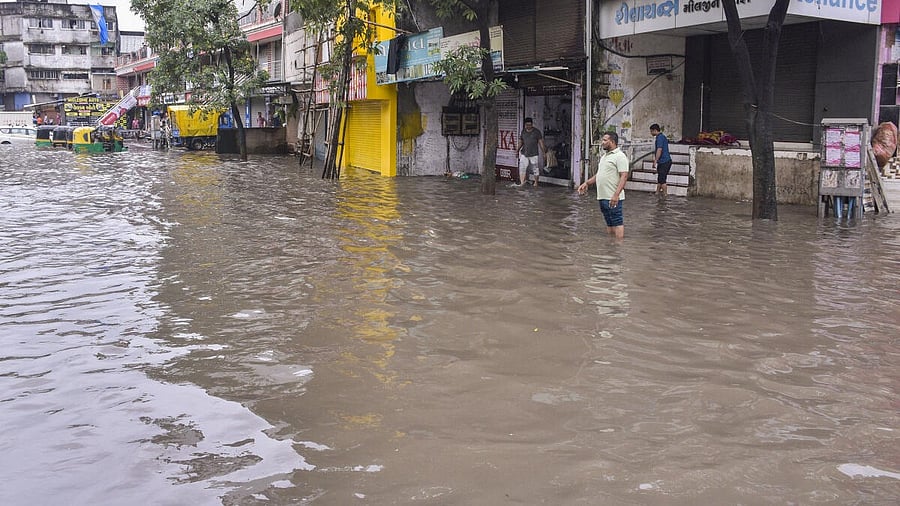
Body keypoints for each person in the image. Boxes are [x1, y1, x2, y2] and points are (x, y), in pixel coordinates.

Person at [577, 132, 630, 240]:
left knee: (617, 221)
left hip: (613, 197)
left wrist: (616, 195)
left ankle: (618, 246)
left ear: (612, 142)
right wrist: (586, 183)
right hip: (602, 196)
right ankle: (610, 245)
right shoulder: (605, 156)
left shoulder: (620, 156)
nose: (602, 143)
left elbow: (624, 176)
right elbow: (599, 174)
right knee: (609, 222)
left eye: (605, 140)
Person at [515, 117, 546, 187]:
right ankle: (522, 182)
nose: (528, 126)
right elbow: (521, 142)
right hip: (524, 153)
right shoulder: (523, 132)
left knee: (535, 169)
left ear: (532, 124)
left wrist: (544, 153)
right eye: (527, 125)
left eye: (530, 125)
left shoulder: (537, 132)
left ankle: (536, 183)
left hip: (534, 154)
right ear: (525, 125)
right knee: (522, 168)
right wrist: (517, 151)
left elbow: (541, 143)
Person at [650, 123, 672, 195]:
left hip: (664, 161)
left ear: (655, 130)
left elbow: (659, 149)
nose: (651, 133)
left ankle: (665, 194)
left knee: (662, 180)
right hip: (664, 161)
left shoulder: (660, 138)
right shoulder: (662, 137)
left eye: (651, 131)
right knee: (660, 179)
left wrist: (655, 161)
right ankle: (657, 192)